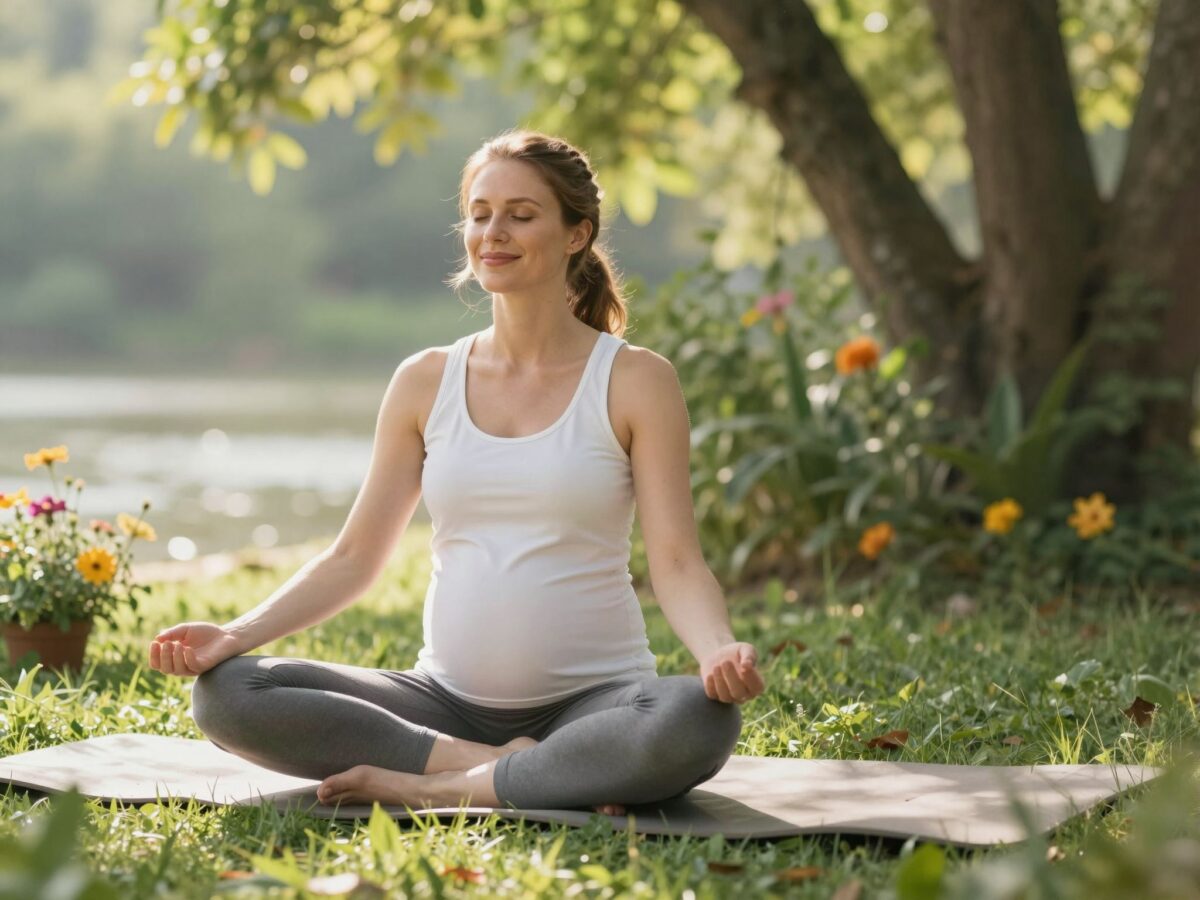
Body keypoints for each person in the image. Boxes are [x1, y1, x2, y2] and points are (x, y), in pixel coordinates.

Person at [147, 129, 765, 817]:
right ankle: (504, 772)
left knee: (696, 719)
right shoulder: (424, 380)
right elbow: (353, 557)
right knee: (229, 694)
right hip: (439, 708)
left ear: (575, 234)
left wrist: (716, 651)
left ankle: (431, 788)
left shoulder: (635, 380)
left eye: (521, 215)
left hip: (597, 703)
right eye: (479, 213)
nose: (492, 232)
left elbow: (677, 562)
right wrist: (235, 635)